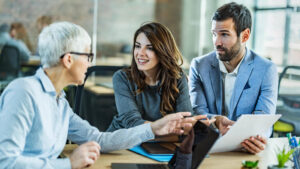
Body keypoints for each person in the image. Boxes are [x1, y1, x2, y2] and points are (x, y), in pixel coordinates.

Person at [0, 22, 195, 169]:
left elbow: (99, 139)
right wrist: (68, 164)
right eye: (87, 56)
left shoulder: (59, 102)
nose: (89, 64)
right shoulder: (24, 92)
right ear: (69, 59)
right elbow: (5, 161)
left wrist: (152, 128)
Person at [189, 2, 278, 154]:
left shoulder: (266, 69)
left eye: (224, 34)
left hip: (246, 151)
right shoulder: (199, 66)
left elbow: (263, 119)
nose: (216, 42)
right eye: (214, 34)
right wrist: (216, 121)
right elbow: (197, 112)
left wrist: (258, 139)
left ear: (245, 35)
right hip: (208, 150)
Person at [107, 22, 207, 132]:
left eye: (149, 48)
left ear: (163, 51)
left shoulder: (177, 77)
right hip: (123, 142)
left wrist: (207, 123)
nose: (140, 53)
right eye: (137, 46)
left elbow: (185, 118)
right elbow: (132, 123)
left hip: (161, 141)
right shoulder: (122, 77)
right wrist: (166, 127)